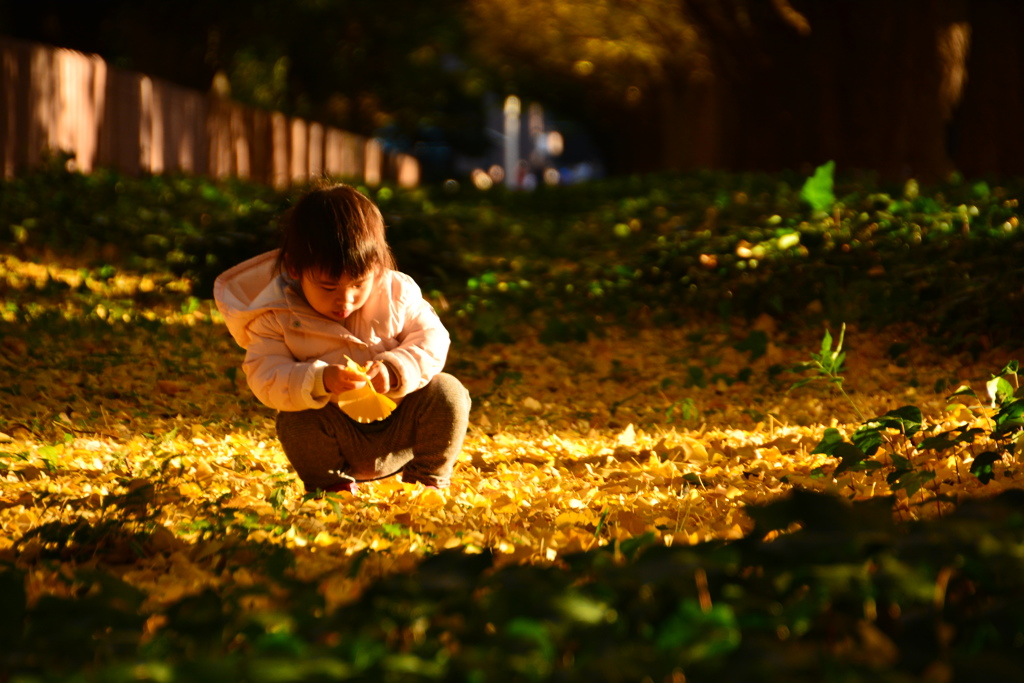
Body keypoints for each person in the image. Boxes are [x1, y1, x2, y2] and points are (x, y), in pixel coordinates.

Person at [213, 183, 470, 495]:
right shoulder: (274, 314)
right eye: (328, 287)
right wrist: (319, 380)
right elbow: (265, 375)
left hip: (400, 428)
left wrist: (395, 369)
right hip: (336, 437)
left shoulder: (396, 293)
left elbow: (433, 339)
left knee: (448, 392)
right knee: (295, 422)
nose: (345, 300)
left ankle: (427, 478)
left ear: (377, 267)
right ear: (295, 268)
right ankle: (331, 485)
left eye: (358, 284)